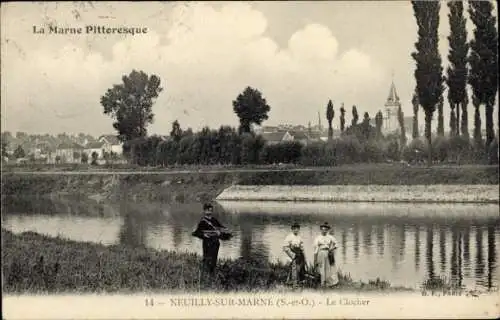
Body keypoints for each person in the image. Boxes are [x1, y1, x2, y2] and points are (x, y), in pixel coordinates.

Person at [192, 203, 227, 278]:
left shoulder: (214, 220)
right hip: (207, 243)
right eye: (208, 210)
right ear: (204, 211)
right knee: (207, 259)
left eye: (211, 210)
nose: (209, 212)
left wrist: (223, 230)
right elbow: (196, 233)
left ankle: (212, 275)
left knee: (214, 260)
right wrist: (204, 235)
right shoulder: (202, 221)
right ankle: (205, 276)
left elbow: (221, 227)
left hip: (215, 243)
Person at [313, 222, 339, 287]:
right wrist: (315, 259)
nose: (324, 230)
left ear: (328, 230)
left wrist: (332, 248)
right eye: (323, 229)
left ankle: (329, 283)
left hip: (328, 253)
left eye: (326, 229)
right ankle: (322, 283)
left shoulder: (330, 237)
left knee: (328, 268)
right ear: (321, 229)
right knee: (321, 267)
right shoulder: (318, 238)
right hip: (321, 253)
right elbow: (316, 250)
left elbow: (337, 244)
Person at [283, 223, 306, 287]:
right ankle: (294, 283)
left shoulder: (299, 237)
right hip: (293, 254)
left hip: (299, 254)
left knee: (299, 268)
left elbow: (302, 247)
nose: (296, 230)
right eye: (294, 229)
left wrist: (303, 255)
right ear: (292, 229)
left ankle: (297, 281)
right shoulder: (289, 237)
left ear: (299, 229)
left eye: (297, 229)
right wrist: (292, 255)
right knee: (294, 268)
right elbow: (285, 247)